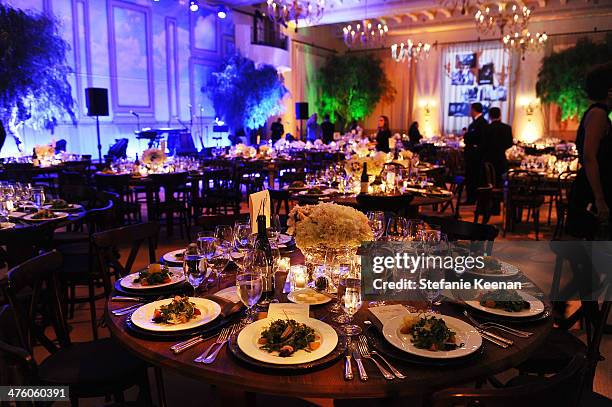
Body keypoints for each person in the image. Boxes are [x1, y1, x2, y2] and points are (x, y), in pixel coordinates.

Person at [567, 62, 612, 239]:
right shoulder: (598, 114)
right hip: (593, 190)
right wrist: (599, 199)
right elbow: (589, 157)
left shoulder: (601, 114)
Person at [463, 102, 488, 204]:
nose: (470, 112)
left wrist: (466, 136)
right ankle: (473, 198)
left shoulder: (480, 123)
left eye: (470, 110)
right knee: (474, 177)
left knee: (472, 177)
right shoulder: (481, 122)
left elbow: (475, 138)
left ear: (473, 110)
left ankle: (471, 199)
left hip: (474, 156)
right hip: (477, 155)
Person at [482, 107, 513, 186]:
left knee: (489, 179)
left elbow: (483, 144)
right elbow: (510, 144)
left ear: (489, 116)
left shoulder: (486, 128)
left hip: (488, 160)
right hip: (501, 159)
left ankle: (490, 193)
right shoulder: (507, 128)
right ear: (500, 115)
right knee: (502, 180)